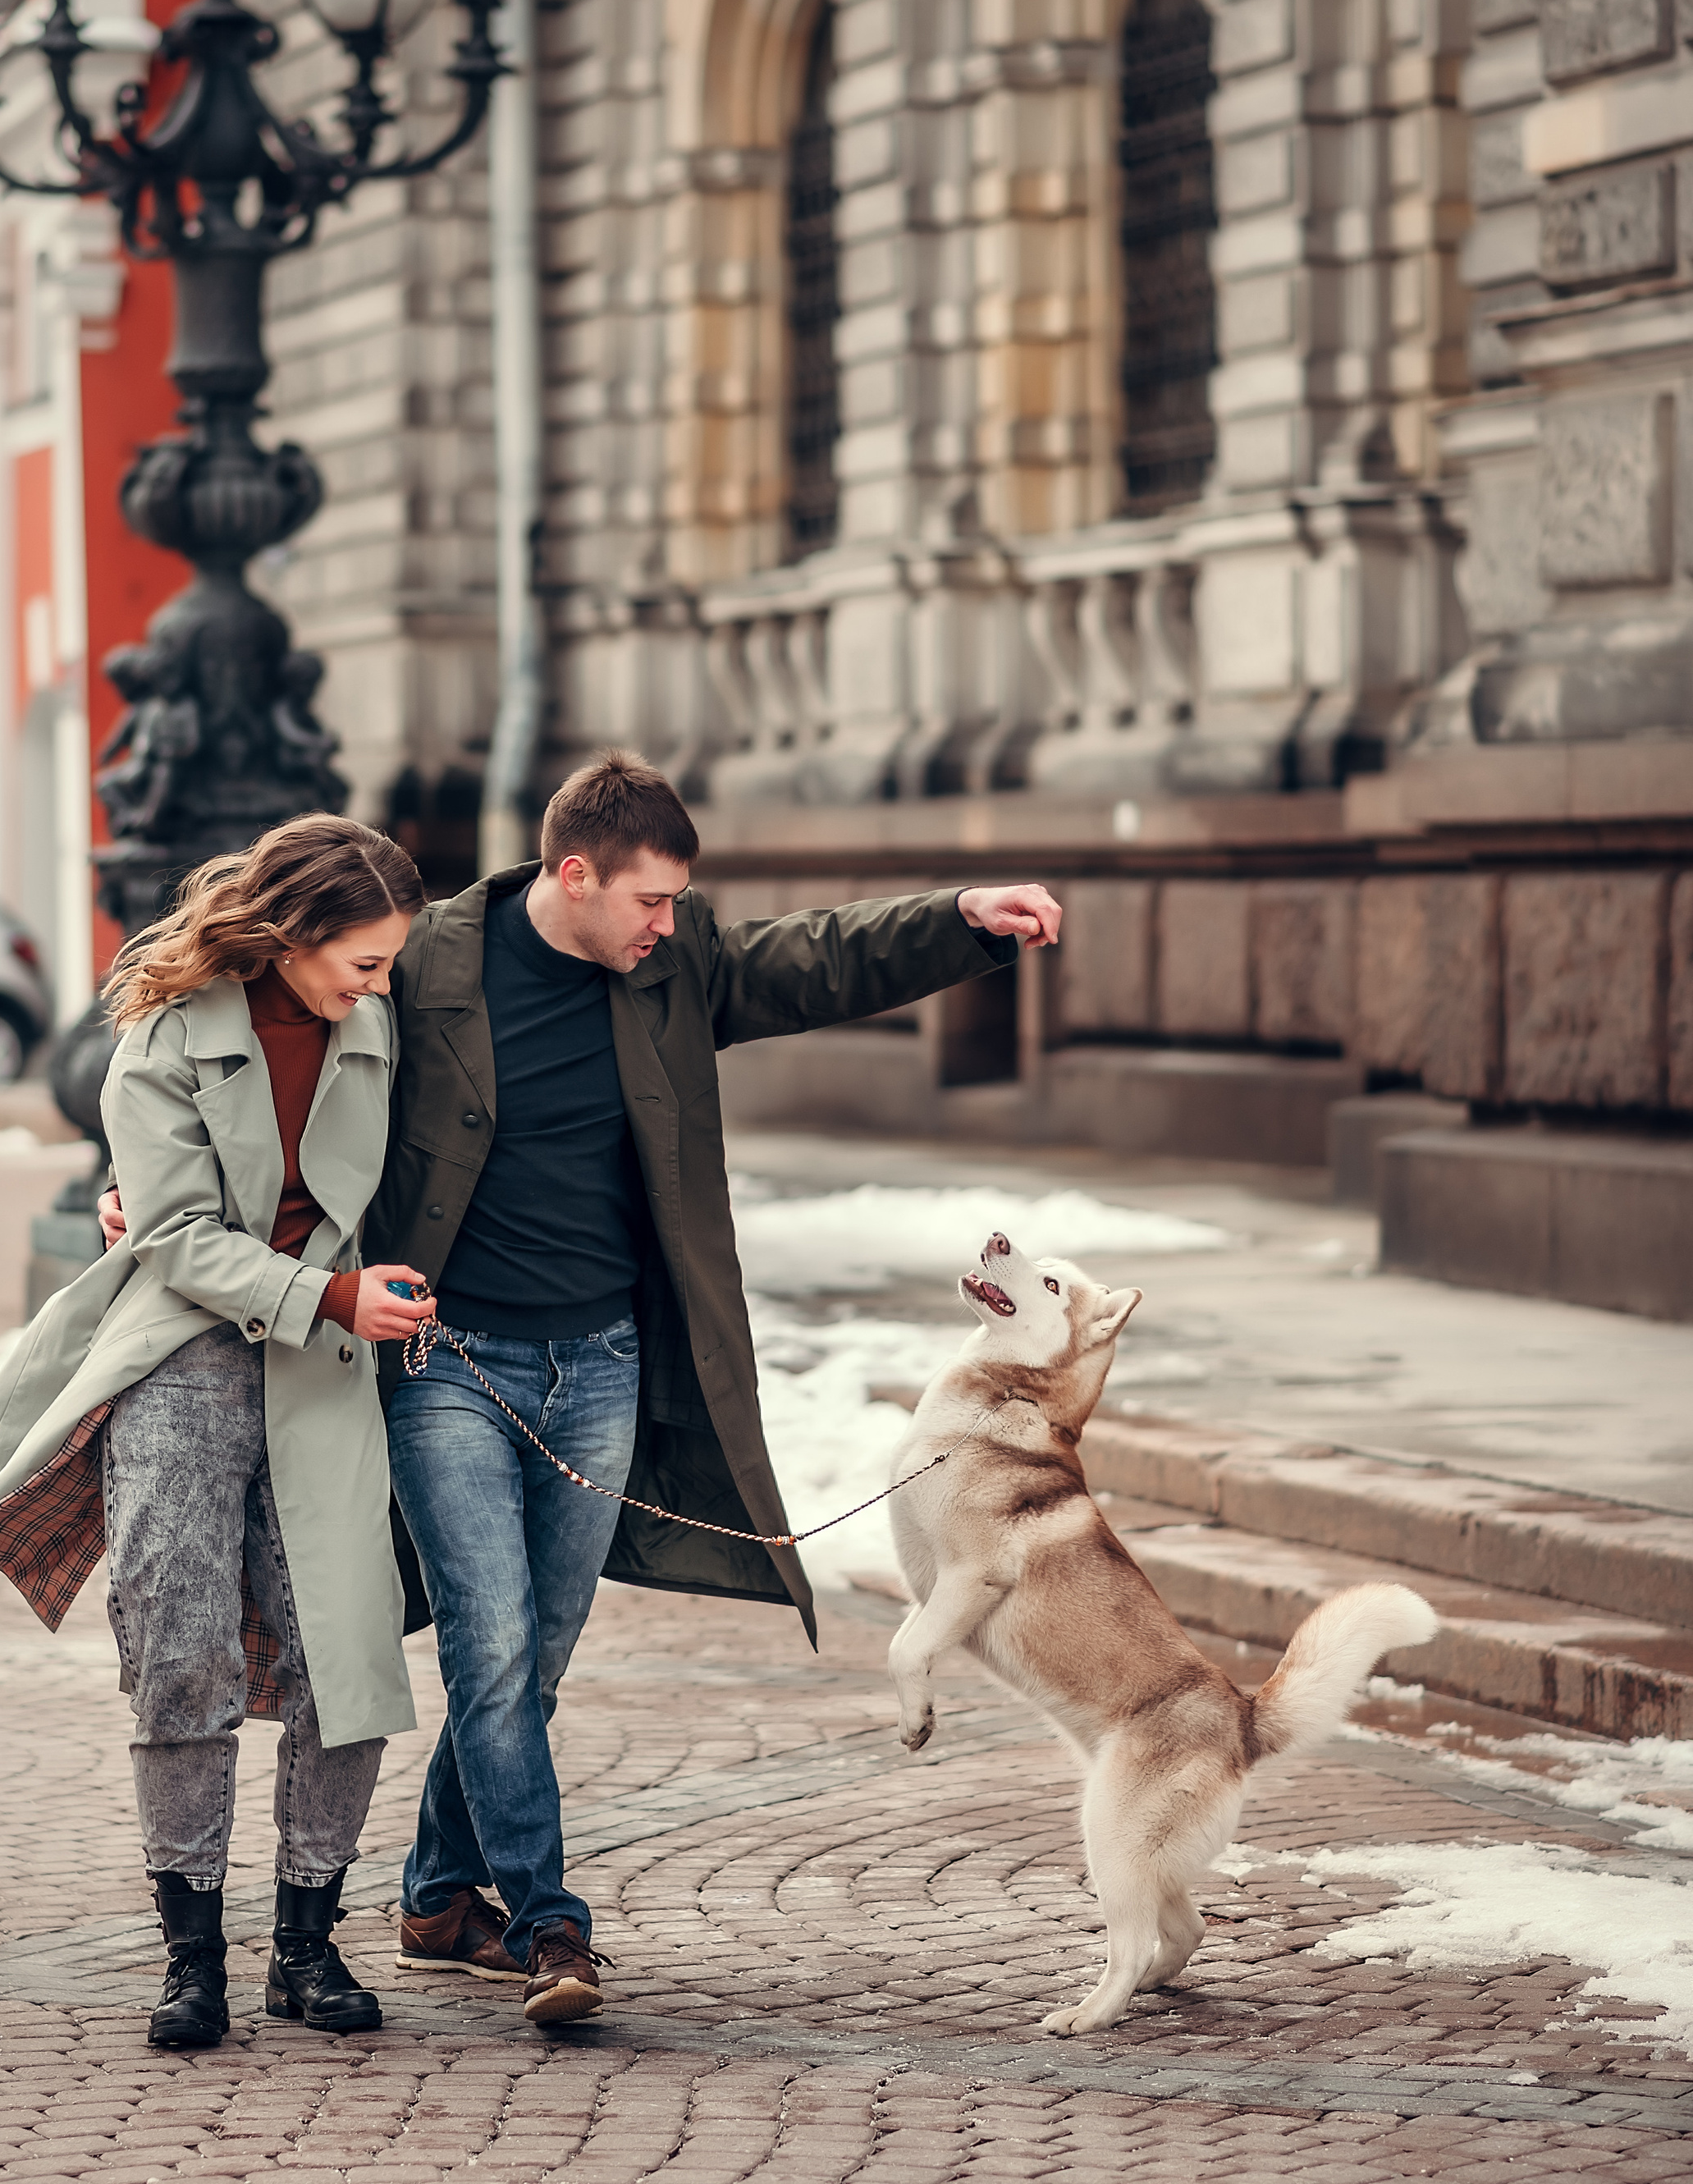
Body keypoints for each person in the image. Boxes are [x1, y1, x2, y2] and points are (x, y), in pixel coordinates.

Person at [103, 752, 1060, 2030]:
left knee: (534, 1660)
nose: (668, 925)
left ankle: (440, 1893)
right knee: (486, 1649)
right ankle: (551, 1923)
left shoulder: (667, 963)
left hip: (604, 1360)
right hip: (449, 1360)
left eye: (678, 907)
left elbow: (809, 959)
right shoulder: (426, 956)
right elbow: (293, 1066)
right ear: (573, 873)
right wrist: (149, 1200)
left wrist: (956, 923)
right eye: (650, 900)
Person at [0, 817, 437, 2052]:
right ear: (294, 936)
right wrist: (326, 1292)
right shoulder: (164, 1031)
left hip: (328, 1368)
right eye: (363, 962)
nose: (381, 984)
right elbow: (177, 1239)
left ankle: (307, 1944)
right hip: (185, 1353)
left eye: (389, 965)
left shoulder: (381, 1021)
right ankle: (193, 1961)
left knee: (341, 1653)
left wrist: (352, 1299)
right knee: (178, 1647)